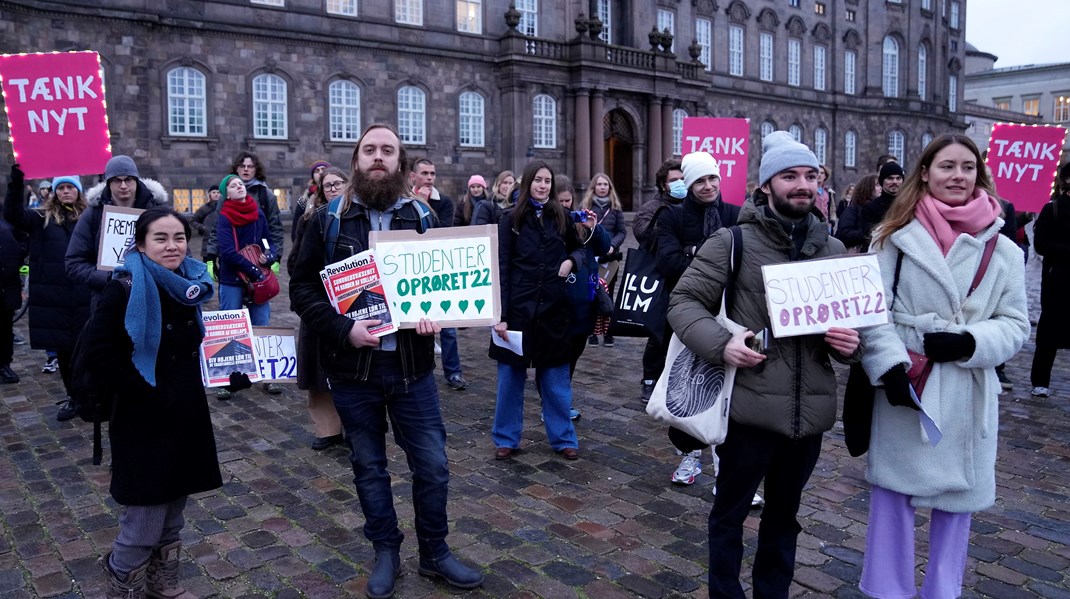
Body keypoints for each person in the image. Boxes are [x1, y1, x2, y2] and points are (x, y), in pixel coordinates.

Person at [289, 124, 484, 598]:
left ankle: (435, 552)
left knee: (433, 466)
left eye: (388, 151)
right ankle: (386, 550)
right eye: (370, 150)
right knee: (369, 466)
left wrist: (435, 315)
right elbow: (301, 288)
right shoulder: (327, 220)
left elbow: (440, 287)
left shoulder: (422, 217)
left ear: (400, 162)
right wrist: (342, 328)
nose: (379, 157)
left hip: (413, 370)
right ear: (357, 160)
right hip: (353, 371)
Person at [668, 132, 861, 598]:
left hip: (807, 416)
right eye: (789, 175)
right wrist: (722, 345)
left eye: (810, 175)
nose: (801, 184)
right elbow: (683, 302)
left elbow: (853, 336)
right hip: (747, 410)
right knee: (730, 516)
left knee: (784, 519)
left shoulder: (833, 251)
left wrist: (849, 345)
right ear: (767, 185)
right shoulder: (731, 241)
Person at [857, 133, 1028, 598]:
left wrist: (970, 342)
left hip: (965, 389)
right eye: (947, 166)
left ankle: (942, 591)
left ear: (979, 174)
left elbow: (1015, 324)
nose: (958, 176)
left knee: (957, 505)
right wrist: (889, 364)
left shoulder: (1006, 249)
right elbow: (873, 312)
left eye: (967, 167)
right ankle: (887, 590)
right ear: (926, 173)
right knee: (893, 497)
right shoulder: (892, 237)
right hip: (909, 382)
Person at [85, 207, 220, 599]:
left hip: (185, 413)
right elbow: (100, 353)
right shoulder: (125, 286)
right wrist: (149, 393)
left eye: (178, 237)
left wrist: (232, 369)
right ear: (141, 244)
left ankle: (163, 585)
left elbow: (193, 345)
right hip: (143, 416)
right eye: (160, 238)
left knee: (174, 510)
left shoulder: (189, 282)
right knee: (144, 517)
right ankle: (122, 586)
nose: (172, 245)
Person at [650, 153, 747, 499]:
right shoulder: (672, 216)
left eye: (712, 179)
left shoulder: (735, 214)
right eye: (699, 181)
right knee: (686, 390)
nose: (707, 187)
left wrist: (694, 253)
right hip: (687, 317)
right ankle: (689, 457)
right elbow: (668, 262)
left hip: (730, 315)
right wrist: (709, 256)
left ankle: (730, 472)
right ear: (689, 185)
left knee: (731, 398)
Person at [491, 160, 596, 462]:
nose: (543, 186)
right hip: (518, 308)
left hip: (553, 308)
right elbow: (502, 266)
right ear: (527, 183)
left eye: (547, 181)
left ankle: (563, 437)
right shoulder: (510, 218)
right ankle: (506, 437)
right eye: (538, 180)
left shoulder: (561, 216)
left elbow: (580, 248)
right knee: (510, 379)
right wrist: (501, 315)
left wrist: (571, 262)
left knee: (555, 380)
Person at [5, 167, 92, 418]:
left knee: (87, 349)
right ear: (54, 192)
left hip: (84, 293)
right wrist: (16, 182)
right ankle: (74, 398)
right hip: (54, 298)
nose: (66, 191)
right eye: (61, 188)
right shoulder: (39, 218)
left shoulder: (89, 217)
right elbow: (12, 214)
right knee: (64, 353)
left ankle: (90, 397)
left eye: (70, 187)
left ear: (78, 191)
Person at [288, 166, 348, 450]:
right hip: (319, 301)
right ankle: (328, 430)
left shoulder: (356, 217)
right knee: (317, 371)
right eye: (328, 186)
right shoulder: (311, 217)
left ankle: (354, 427)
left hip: (351, 301)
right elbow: (296, 260)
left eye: (338, 184)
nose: (334, 189)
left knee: (350, 371)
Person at [66, 155, 169, 308]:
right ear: (108, 183)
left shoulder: (158, 212)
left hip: (152, 298)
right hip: (107, 300)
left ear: (136, 181)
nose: (123, 185)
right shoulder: (93, 214)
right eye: (116, 180)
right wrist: (108, 278)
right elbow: (74, 263)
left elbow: (181, 255)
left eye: (128, 179)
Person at [555, 174, 610, 420]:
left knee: (574, 353)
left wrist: (593, 228)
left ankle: (561, 399)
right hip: (559, 300)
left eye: (568, 201)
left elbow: (604, 248)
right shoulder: (546, 223)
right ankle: (557, 404)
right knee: (557, 357)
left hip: (583, 301)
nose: (565, 205)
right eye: (561, 201)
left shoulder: (580, 222)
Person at [410, 157, 467, 391]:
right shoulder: (402, 201)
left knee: (447, 326)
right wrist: (417, 204)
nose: (430, 178)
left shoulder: (443, 202)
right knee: (413, 324)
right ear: (413, 177)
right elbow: (407, 234)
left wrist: (424, 206)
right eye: (425, 173)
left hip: (438, 267)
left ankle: (453, 372)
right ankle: (416, 372)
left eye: (432, 173)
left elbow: (438, 233)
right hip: (412, 268)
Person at [633, 158, 684, 401]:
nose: (680, 184)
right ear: (664, 184)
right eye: (674, 180)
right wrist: (668, 225)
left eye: (683, 179)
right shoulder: (651, 207)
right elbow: (642, 233)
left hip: (686, 277)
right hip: (659, 278)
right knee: (659, 333)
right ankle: (650, 380)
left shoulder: (692, 206)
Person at [1029, 161, 1070, 398]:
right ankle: (1040, 381)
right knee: (1049, 333)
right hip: (1057, 281)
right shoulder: (1051, 209)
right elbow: (1041, 244)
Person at [204, 151, 284, 271]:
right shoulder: (225, 195)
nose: (246, 169)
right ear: (237, 169)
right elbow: (216, 228)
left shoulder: (266, 195)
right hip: (230, 258)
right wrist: (210, 257)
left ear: (256, 169)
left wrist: (276, 257)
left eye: (250, 166)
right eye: (242, 166)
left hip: (258, 258)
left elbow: (275, 229)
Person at [581, 173, 626, 347]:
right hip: (591, 259)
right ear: (593, 187)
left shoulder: (616, 208)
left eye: (605, 184)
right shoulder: (586, 207)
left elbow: (622, 231)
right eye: (599, 184)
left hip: (610, 259)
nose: (602, 187)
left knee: (608, 295)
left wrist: (612, 246)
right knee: (592, 294)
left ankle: (608, 332)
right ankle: (592, 332)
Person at [859, 161, 905, 248]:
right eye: (890, 178)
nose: (895, 182)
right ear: (882, 181)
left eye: (898, 178)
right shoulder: (870, 208)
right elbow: (868, 235)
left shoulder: (909, 205)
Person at [834, 174, 881, 251]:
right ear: (868, 188)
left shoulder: (879, 209)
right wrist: (867, 234)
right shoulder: (853, 210)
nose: (881, 188)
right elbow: (844, 233)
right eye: (877, 185)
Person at [292, 160, 331, 241]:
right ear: (313, 176)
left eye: (324, 169)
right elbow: (296, 231)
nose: (320, 172)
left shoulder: (336, 194)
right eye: (317, 171)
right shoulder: (304, 200)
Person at [190, 187, 222, 264]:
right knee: (209, 265)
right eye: (214, 192)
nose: (216, 194)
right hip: (208, 241)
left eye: (218, 193)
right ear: (209, 195)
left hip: (223, 240)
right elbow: (193, 220)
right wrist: (203, 228)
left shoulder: (225, 207)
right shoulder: (204, 209)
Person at [815, 165, 837, 231]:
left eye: (822, 173)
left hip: (826, 225)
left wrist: (832, 222)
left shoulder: (829, 192)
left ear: (825, 176)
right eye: (817, 173)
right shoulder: (809, 190)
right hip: (813, 224)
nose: (819, 175)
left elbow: (832, 209)